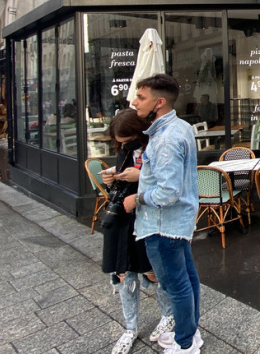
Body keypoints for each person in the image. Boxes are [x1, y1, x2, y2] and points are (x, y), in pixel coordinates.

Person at [126, 74, 202, 353]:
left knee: (175, 285)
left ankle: (184, 344)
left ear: (159, 103)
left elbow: (168, 193)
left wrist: (137, 199)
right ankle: (190, 334)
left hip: (163, 223)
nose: (134, 102)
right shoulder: (179, 127)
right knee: (187, 278)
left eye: (141, 97)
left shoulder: (167, 138)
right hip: (176, 222)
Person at [101, 110, 173, 354]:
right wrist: (113, 177)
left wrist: (141, 175)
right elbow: (123, 171)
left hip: (148, 215)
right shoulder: (125, 152)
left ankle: (168, 316)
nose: (122, 145)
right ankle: (130, 327)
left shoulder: (158, 145)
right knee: (124, 272)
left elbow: (171, 182)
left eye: (125, 140)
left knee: (153, 270)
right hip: (123, 217)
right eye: (119, 142)